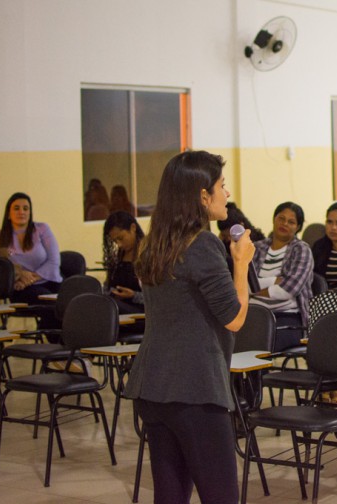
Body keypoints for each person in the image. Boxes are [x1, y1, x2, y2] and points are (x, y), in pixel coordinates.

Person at [124, 150, 254, 503]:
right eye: (222, 186)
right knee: (221, 495)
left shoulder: (154, 244)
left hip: (154, 385)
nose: (227, 193)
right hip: (194, 388)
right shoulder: (203, 244)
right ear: (203, 196)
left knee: (170, 495)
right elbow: (235, 318)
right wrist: (241, 264)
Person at [0, 192, 62, 329]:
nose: (21, 212)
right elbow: (0, 265)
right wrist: (20, 275)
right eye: (16, 208)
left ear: (30, 212)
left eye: (25, 208)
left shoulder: (42, 229)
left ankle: (69, 339)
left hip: (48, 280)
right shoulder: (0, 236)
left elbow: (54, 260)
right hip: (19, 288)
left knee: (68, 301)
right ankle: (56, 338)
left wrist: (29, 279)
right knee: (50, 305)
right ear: (8, 214)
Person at [251, 201, 314, 351]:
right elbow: (242, 284)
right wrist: (275, 281)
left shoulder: (301, 250)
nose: (285, 224)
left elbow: (287, 291)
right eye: (281, 218)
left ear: (297, 227)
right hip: (254, 313)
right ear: (274, 219)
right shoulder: (256, 248)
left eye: (291, 222)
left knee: (263, 346)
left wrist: (254, 289)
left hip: (287, 317)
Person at [102, 211, 145, 315]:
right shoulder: (119, 256)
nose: (119, 244)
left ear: (133, 228)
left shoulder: (148, 254)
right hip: (119, 307)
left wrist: (133, 295)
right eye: (115, 241)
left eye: (121, 238)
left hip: (141, 311)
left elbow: (158, 297)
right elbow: (107, 286)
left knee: (109, 306)